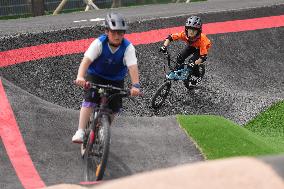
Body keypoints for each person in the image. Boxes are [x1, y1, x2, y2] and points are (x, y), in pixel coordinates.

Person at [72, 12, 141, 143]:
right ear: (107, 31)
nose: (117, 36)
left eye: (120, 33)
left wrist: (135, 85)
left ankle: (105, 128)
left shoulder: (128, 47)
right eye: (114, 32)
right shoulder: (99, 43)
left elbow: (132, 67)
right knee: (90, 99)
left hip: (116, 79)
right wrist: (80, 76)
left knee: (115, 106)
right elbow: (86, 61)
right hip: (96, 75)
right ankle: (80, 131)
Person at [160, 15, 211, 85]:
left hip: (201, 48)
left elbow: (203, 57)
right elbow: (170, 37)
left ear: (198, 32)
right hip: (192, 45)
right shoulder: (184, 34)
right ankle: (178, 72)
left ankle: (197, 76)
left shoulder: (202, 40)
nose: (191, 33)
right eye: (190, 30)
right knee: (180, 57)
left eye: (194, 30)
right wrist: (164, 46)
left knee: (192, 62)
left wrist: (194, 63)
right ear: (186, 29)